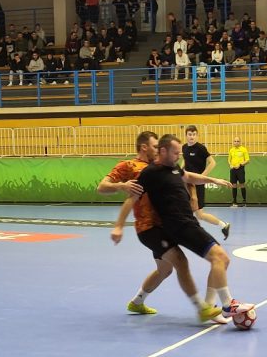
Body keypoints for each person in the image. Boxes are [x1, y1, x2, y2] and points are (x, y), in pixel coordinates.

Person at [97, 131, 226, 323]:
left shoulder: (161, 166)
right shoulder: (130, 166)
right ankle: (202, 308)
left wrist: (208, 182)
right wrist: (122, 187)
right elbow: (102, 186)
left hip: (166, 225)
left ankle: (137, 302)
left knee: (165, 270)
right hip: (149, 227)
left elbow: (186, 176)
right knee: (180, 261)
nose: (158, 149)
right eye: (155, 146)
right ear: (144, 147)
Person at [136, 134, 254, 319]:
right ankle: (226, 304)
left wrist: (213, 180)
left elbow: (189, 176)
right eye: (176, 152)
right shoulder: (150, 172)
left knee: (219, 261)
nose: (179, 156)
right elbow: (132, 197)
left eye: (179, 153)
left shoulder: (173, 168)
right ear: (163, 151)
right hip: (179, 224)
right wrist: (119, 224)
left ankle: (209, 307)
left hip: (187, 221)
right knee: (219, 257)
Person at [182, 125, 230, 239]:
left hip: (197, 184)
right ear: (186, 136)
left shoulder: (201, 148)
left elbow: (212, 163)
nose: (192, 137)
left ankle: (223, 225)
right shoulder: (184, 148)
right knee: (186, 209)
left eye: (194, 134)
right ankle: (188, 233)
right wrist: (180, 170)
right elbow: (185, 161)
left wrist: (201, 177)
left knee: (200, 214)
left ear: (197, 135)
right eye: (189, 134)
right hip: (186, 182)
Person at [228, 136, 249, 207]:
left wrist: (240, 164)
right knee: (234, 185)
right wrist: (230, 165)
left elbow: (247, 160)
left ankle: (244, 201)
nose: (236, 142)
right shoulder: (231, 150)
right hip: (233, 170)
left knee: (242, 184)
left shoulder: (243, 149)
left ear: (240, 142)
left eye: (238, 141)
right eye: (235, 141)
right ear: (233, 142)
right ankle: (234, 201)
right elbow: (229, 160)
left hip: (240, 169)